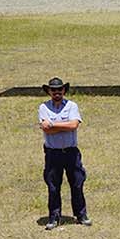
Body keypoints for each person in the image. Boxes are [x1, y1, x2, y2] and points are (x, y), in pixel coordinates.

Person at [38, 77, 90, 230]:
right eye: (53, 90)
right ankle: (54, 217)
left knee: (77, 184)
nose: (57, 92)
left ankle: (81, 215)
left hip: (71, 152)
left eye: (59, 89)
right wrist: (63, 126)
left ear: (64, 90)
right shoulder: (43, 107)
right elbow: (46, 129)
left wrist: (53, 124)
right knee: (53, 186)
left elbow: (74, 125)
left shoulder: (72, 106)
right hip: (53, 153)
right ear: (49, 91)